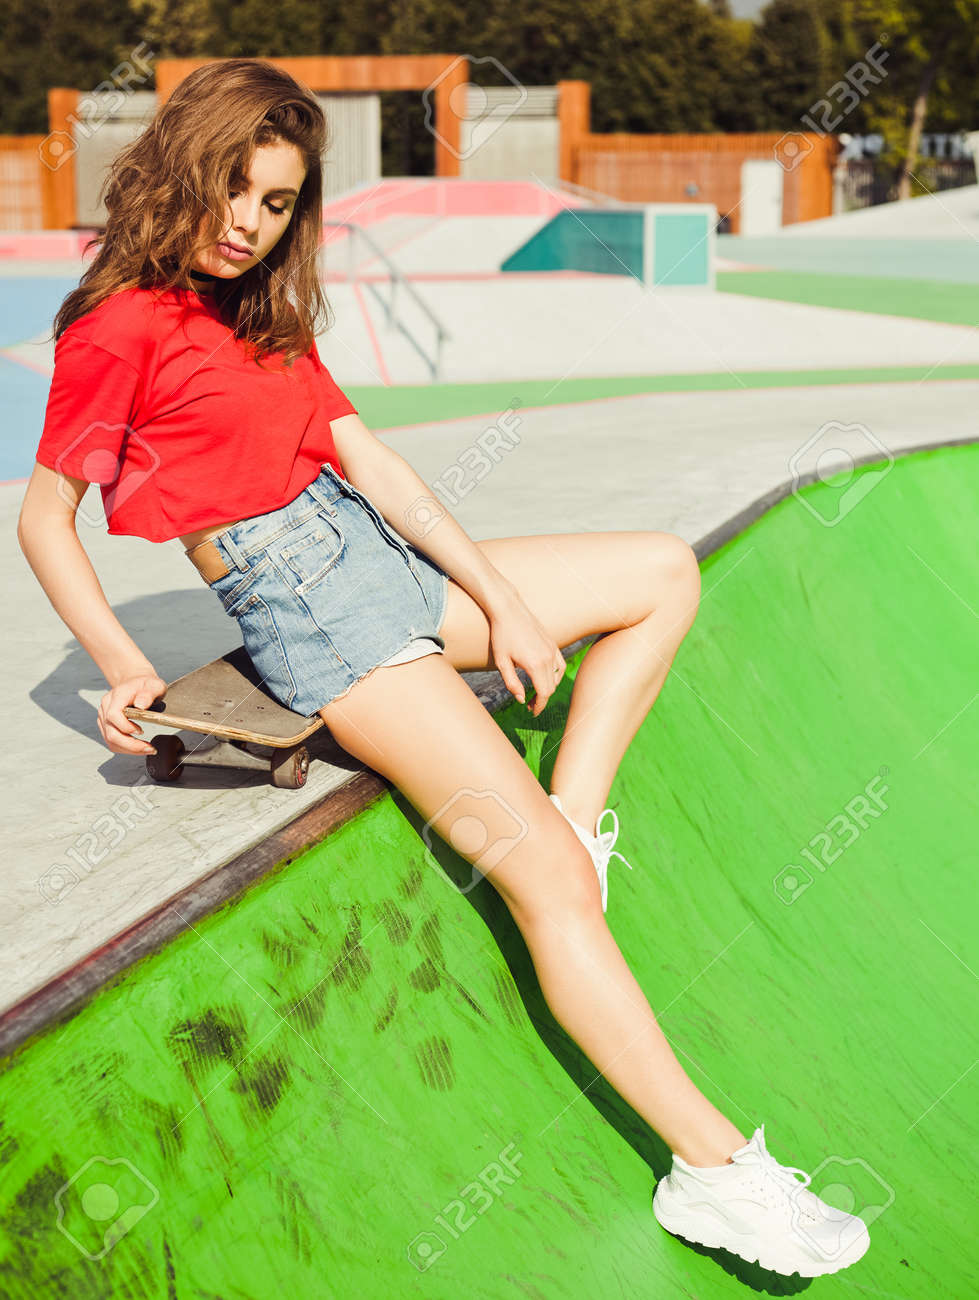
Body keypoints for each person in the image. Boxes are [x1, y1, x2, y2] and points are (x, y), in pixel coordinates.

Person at [17, 57, 870, 1279]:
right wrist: (117, 664)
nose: (248, 226)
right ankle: (715, 1169)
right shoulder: (120, 327)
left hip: (381, 566)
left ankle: (574, 822)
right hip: (323, 623)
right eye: (236, 192)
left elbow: (384, 472)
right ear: (183, 168)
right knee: (553, 899)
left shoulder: (263, 316)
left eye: (275, 205)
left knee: (658, 576)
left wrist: (502, 601)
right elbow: (47, 516)